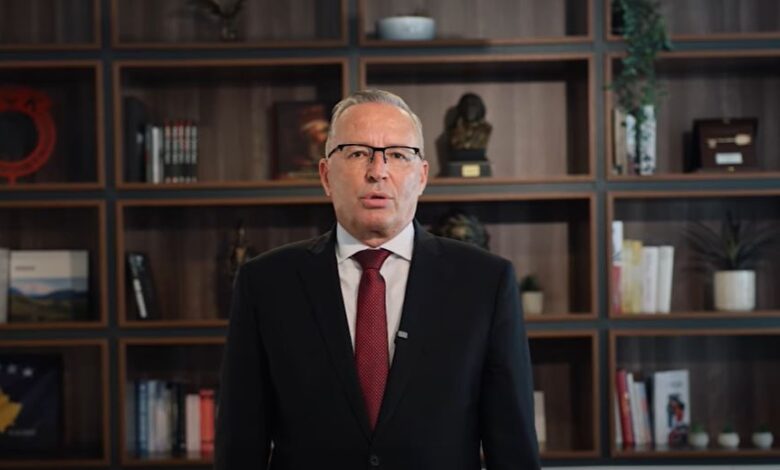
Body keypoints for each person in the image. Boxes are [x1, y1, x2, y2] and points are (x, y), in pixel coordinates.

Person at [215, 89, 540, 470]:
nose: (378, 171)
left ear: (422, 177)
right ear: (325, 176)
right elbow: (240, 444)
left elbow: (513, 447)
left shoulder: (485, 283)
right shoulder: (266, 284)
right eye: (357, 153)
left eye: (398, 155)